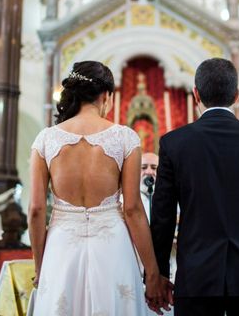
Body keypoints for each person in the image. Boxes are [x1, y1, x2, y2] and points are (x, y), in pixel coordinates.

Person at [28, 61, 172, 315]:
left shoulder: (46, 139)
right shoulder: (125, 137)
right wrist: (153, 274)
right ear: (106, 96)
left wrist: (40, 266)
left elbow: (37, 209)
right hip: (113, 246)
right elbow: (132, 209)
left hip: (61, 247)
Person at [151, 58, 239, 316]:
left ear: (195, 94)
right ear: (237, 95)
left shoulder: (173, 144)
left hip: (197, 277)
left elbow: (162, 218)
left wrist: (159, 275)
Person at [141, 151, 159, 221]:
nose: (149, 172)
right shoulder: (124, 200)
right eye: (143, 167)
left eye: (154, 168)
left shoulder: (171, 198)